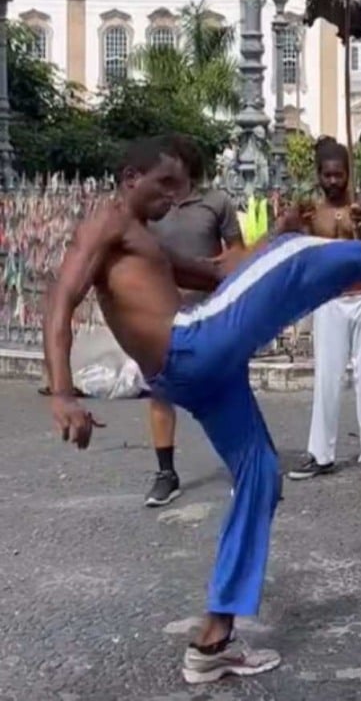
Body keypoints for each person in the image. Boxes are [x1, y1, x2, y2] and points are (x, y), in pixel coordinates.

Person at [43, 134, 361, 684]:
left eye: (180, 187)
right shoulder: (104, 223)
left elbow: (218, 274)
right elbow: (60, 299)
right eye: (165, 186)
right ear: (131, 179)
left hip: (195, 375)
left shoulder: (140, 238)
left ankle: (213, 640)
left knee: (260, 477)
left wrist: (272, 234)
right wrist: (62, 392)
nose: (175, 199)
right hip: (190, 344)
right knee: (293, 259)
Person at [287, 137, 361, 482]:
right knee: (327, 378)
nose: (333, 181)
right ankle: (321, 454)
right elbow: (297, 250)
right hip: (329, 300)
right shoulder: (312, 212)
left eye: (339, 175)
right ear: (319, 175)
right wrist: (296, 222)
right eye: (327, 175)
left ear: (348, 174)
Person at [143, 135, 245, 507]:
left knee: (230, 391)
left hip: (211, 312)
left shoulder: (216, 202)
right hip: (163, 314)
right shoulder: (153, 207)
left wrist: (221, 269)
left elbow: (237, 250)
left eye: (172, 165)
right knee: (160, 392)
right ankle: (165, 473)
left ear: (186, 166)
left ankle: (242, 466)